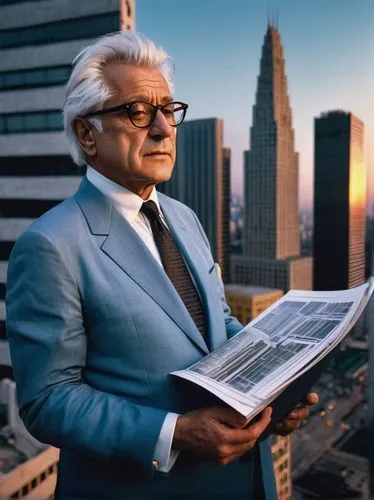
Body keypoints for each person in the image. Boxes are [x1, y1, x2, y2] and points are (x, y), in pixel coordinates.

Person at [6, 31, 317, 499]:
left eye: (168, 110)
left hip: (245, 482)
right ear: (87, 134)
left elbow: (220, 323)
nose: (163, 129)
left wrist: (275, 388)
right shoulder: (50, 245)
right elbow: (47, 400)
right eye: (136, 111)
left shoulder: (184, 217)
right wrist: (172, 432)